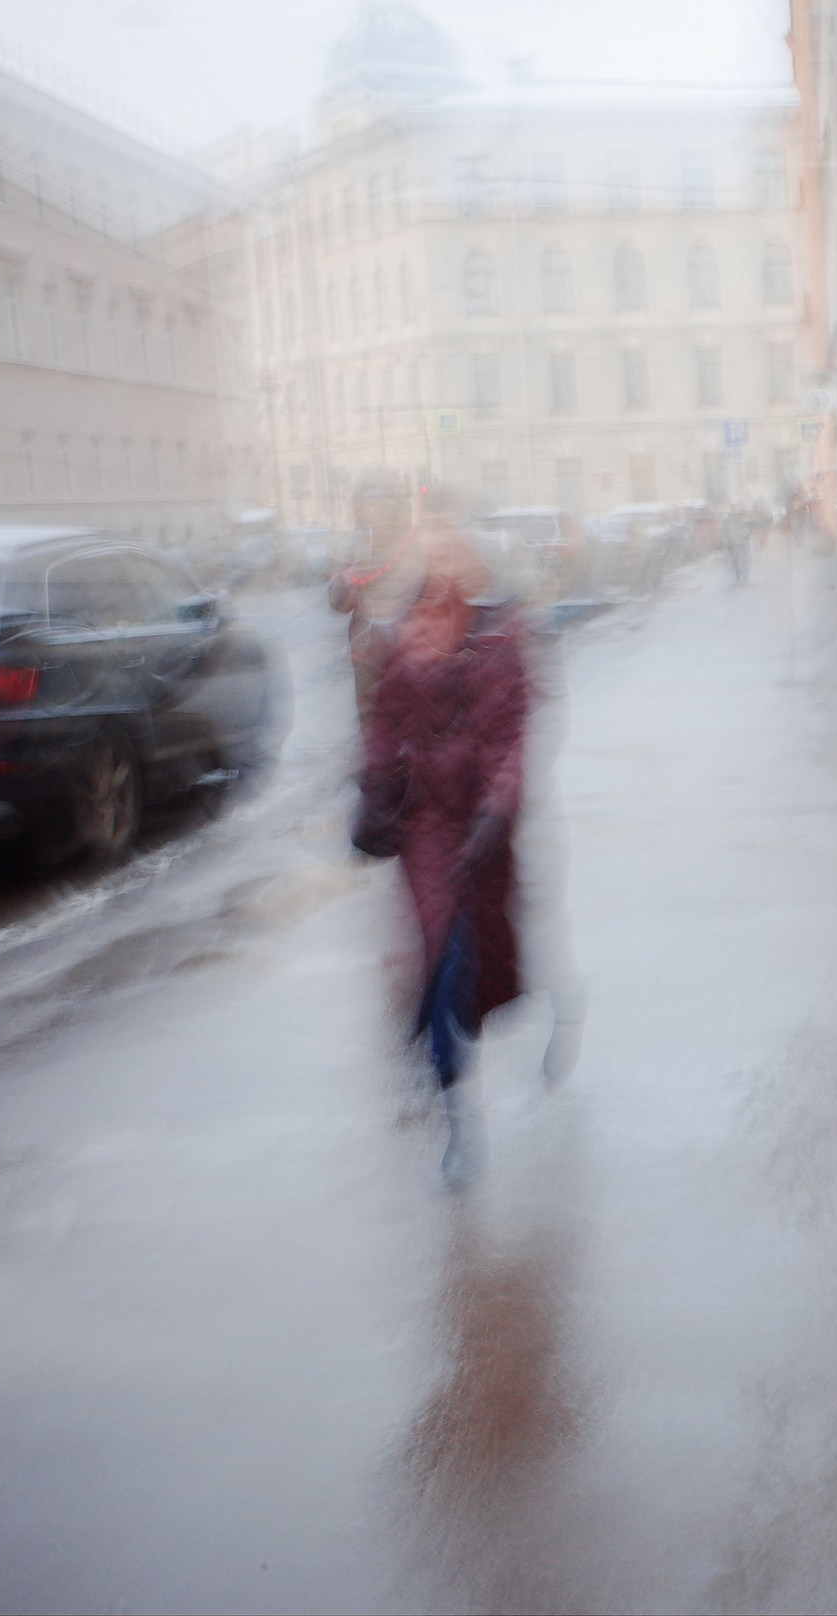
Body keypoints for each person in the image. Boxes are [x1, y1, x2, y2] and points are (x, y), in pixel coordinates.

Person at [355, 525, 538, 1182]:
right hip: (424, 825)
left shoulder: (503, 637)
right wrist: (372, 793)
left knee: (474, 967)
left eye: (456, 555)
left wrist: (496, 810)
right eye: (435, 558)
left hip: (481, 821)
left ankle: (466, 1040)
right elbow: (383, 724)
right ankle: (458, 1116)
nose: (445, 567)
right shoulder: (407, 631)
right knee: (444, 960)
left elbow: (511, 738)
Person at [327, 471, 422, 720]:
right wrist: (347, 580)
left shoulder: (416, 539)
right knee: (372, 721)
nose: (376, 505)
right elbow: (336, 603)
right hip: (368, 652)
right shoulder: (356, 542)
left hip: (415, 649)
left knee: (416, 718)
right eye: (367, 498)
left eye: (383, 497)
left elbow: (437, 592)